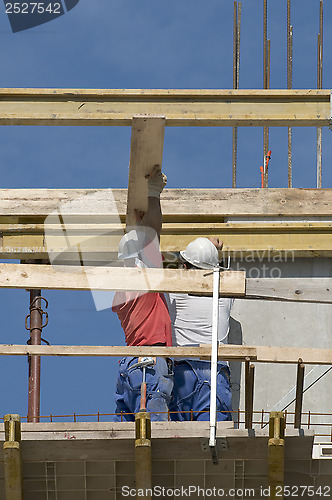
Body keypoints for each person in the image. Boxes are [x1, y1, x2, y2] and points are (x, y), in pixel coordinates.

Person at [112, 167, 173, 421]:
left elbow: (142, 247)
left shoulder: (120, 290)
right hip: (150, 363)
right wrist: (153, 193)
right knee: (155, 435)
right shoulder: (146, 279)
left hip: (130, 368)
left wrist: (138, 227)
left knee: (129, 439)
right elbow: (153, 235)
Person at [166, 237, 234, 421]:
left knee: (180, 441)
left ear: (185, 268)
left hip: (183, 371)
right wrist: (215, 251)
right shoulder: (226, 291)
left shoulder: (173, 292)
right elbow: (222, 272)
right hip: (215, 369)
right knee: (213, 440)